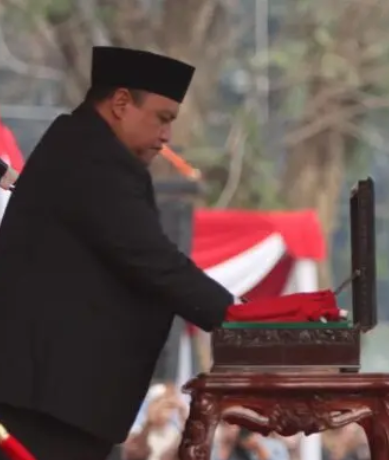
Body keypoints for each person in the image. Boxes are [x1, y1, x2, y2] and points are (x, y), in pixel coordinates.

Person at [0, 46, 235, 459]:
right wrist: (237, 317)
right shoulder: (91, 158)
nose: (166, 137)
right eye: (162, 119)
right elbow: (152, 261)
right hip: (46, 399)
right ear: (121, 103)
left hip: (55, 396)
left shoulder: (82, 145)